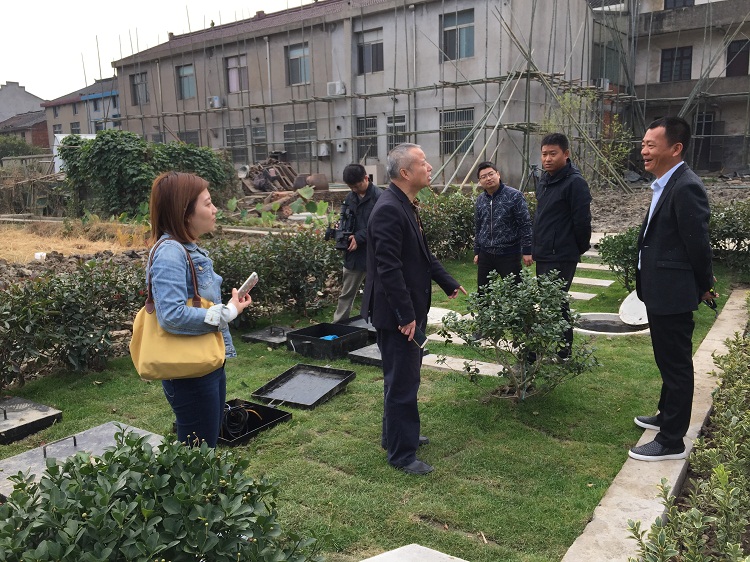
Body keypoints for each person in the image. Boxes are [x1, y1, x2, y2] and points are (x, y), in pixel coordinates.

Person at [361, 143, 467, 476]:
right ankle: (402, 455)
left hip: (405, 312)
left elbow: (421, 254)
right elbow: (388, 268)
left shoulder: (404, 204)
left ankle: (395, 436)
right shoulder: (389, 209)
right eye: (423, 163)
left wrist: (448, 281)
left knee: (400, 380)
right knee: (403, 383)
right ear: (405, 173)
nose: (430, 167)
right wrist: (406, 316)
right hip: (397, 316)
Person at [629, 117, 714, 462]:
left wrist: (704, 284)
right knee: (667, 360)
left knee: (676, 365)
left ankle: (671, 440)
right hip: (660, 289)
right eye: (643, 144)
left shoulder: (685, 186)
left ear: (676, 148)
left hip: (673, 292)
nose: (644, 151)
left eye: (651, 145)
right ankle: (666, 415)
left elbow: (698, 244)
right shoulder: (666, 184)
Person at [147, 171, 252, 447]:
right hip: (189, 374)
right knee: (197, 454)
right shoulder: (171, 253)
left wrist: (231, 307)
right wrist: (227, 313)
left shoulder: (187, 249)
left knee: (205, 445)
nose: (215, 209)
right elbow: (172, 316)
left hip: (205, 364)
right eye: (207, 203)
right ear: (185, 212)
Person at [531, 133, 592, 359]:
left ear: (566, 154)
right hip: (544, 252)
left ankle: (562, 349)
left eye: (553, 154)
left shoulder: (575, 183)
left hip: (561, 254)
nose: (547, 159)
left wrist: (575, 248)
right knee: (551, 302)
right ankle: (555, 347)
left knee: (555, 302)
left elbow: (582, 221)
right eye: (544, 154)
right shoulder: (545, 179)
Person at [332, 164, 383, 323]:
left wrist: (359, 237)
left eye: (357, 186)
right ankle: (338, 325)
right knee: (346, 293)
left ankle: (381, 325)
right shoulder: (350, 198)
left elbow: (382, 225)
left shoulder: (380, 197)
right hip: (354, 255)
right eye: (351, 187)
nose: (354, 189)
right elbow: (346, 218)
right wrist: (341, 228)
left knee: (380, 293)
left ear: (366, 178)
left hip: (375, 254)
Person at [473, 161, 533, 290]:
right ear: (480, 181)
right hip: (486, 254)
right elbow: (478, 227)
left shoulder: (514, 196)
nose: (488, 178)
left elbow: (525, 224)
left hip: (509, 253)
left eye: (491, 174)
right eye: (483, 177)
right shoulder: (480, 200)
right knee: (483, 293)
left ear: (498, 174)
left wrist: (527, 250)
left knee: (515, 292)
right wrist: (477, 251)